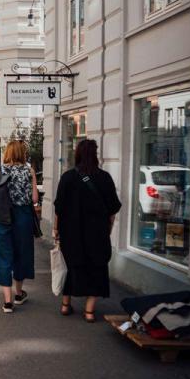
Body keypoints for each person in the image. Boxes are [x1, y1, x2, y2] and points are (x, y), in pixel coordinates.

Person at [53, 138, 122, 322]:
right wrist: (107, 230)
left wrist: (56, 229)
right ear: (95, 155)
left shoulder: (67, 177)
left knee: (71, 267)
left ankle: (65, 305)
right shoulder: (104, 178)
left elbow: (58, 208)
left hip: (71, 234)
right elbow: (113, 209)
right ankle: (89, 311)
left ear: (77, 154)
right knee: (97, 269)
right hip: (97, 233)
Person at [0, 140, 39, 313]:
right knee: (21, 254)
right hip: (23, 217)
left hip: (2, 217)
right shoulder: (29, 170)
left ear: (8, 153)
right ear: (22, 153)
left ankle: (7, 301)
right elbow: (34, 199)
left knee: (3, 256)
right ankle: (19, 293)